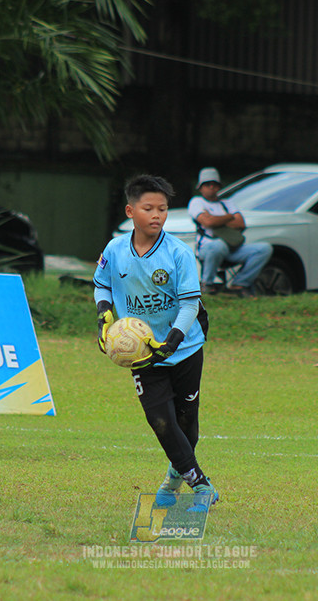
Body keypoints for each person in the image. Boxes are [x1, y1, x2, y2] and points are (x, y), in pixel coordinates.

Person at [93, 174, 218, 511]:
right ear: (130, 211)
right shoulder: (115, 250)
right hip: (143, 353)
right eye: (148, 208)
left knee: (186, 425)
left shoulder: (179, 253)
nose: (157, 215)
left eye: (162, 209)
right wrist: (104, 314)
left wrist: (172, 341)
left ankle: (172, 481)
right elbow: (101, 284)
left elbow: (191, 304)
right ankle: (202, 486)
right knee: (159, 420)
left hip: (186, 346)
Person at [187, 167, 272, 296]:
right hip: (208, 248)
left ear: (218, 187)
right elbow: (208, 222)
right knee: (218, 245)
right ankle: (207, 284)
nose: (211, 187)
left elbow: (241, 223)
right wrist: (228, 217)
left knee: (264, 248)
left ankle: (240, 284)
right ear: (200, 187)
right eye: (207, 184)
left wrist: (214, 218)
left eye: (214, 184)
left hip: (232, 248)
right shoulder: (196, 202)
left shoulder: (227, 203)